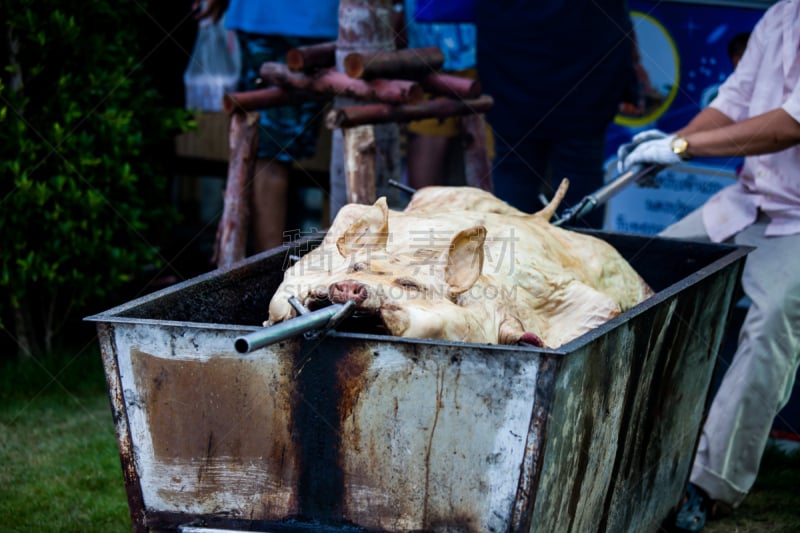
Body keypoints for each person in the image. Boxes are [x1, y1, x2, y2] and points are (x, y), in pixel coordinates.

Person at [617, 1, 800, 530]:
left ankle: (708, 486)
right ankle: (633, 443)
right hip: (749, 199)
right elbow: (734, 101)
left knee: (771, 325)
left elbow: (788, 125)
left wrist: (682, 146)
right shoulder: (782, 15)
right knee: (644, 277)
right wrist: (667, 150)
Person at [474, 0, 635, 228]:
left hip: (516, 46)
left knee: (517, 164)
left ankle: (513, 257)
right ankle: (581, 258)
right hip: (581, 50)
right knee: (575, 166)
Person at [195, 0, 339, 252]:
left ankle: (270, 268)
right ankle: (271, 271)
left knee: (272, 151)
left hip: (277, 18)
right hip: (302, 20)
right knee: (271, 150)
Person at [401, 0, 480, 189]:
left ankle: (421, 211)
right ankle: (421, 212)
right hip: (437, 51)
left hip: (443, 49)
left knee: (489, 153)